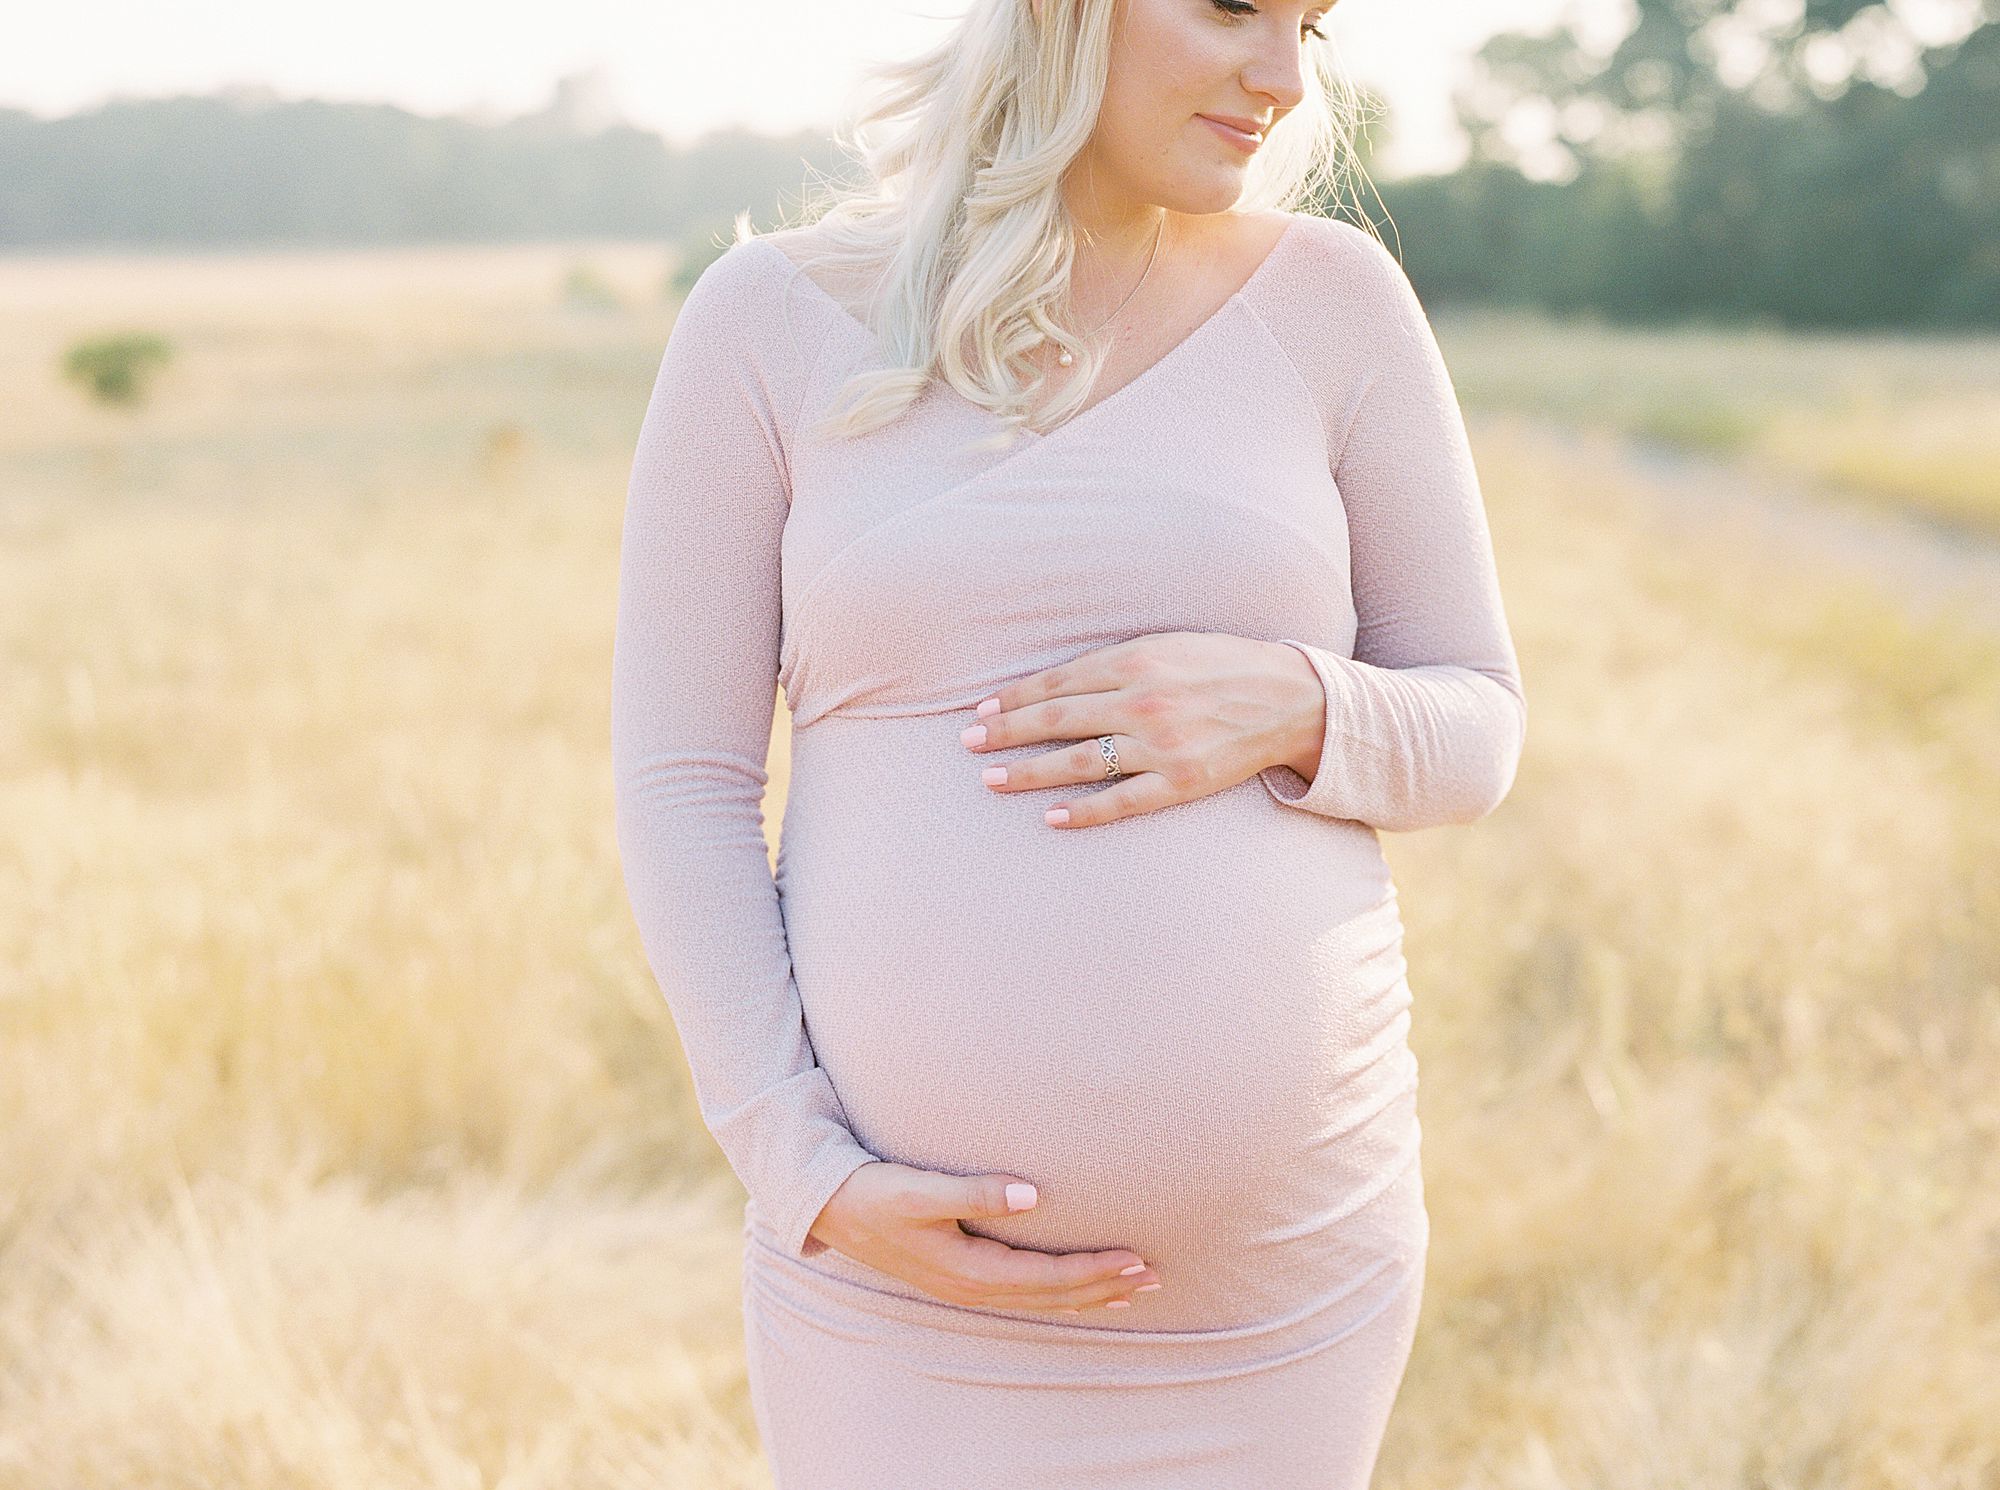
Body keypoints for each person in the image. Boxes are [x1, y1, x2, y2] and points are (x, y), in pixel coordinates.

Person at [609, 0, 1526, 1484]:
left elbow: (1478, 721)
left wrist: (1299, 700)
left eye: (1314, 25)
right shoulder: (763, 318)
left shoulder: (1336, 303)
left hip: (1275, 1308)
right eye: (1236, 7)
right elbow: (682, 784)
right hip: (896, 1303)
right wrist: (805, 1173)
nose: (1289, 80)